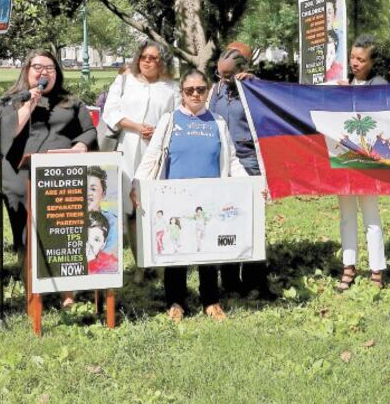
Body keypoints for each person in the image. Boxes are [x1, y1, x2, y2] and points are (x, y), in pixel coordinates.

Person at [132, 69, 249, 322]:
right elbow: (151, 157)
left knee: (208, 250)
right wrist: (137, 185)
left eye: (200, 89)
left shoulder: (217, 122)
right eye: (189, 90)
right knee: (176, 252)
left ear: (207, 91)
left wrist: (249, 185)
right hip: (173, 198)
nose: (195, 94)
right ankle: (175, 302)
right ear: (182, 93)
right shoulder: (169, 121)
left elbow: (232, 159)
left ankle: (211, 300)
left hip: (209, 199)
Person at [0, 50, 96, 308]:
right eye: (38, 67)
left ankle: (67, 292)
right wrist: (29, 103)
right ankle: (34, 289)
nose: (44, 73)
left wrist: (80, 147)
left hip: (60, 178)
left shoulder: (70, 102)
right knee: (26, 236)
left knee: (62, 233)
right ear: (27, 70)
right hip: (21, 178)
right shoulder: (10, 100)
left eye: (50, 68)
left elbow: (88, 130)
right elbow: (4, 134)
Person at [100, 41, 176, 261]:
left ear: (162, 62)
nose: (146, 61)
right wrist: (136, 126)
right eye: (143, 57)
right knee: (131, 208)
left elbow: (176, 116)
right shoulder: (124, 81)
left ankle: (160, 261)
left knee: (157, 207)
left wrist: (160, 131)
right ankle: (139, 263)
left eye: (152, 58)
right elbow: (110, 112)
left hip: (158, 151)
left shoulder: (171, 87)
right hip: (129, 147)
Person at [212, 42, 273, 300]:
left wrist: (253, 85)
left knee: (251, 224)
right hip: (224, 164)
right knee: (226, 222)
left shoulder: (253, 89)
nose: (222, 79)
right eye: (219, 74)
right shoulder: (215, 90)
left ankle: (255, 281)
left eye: (227, 75)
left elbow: (270, 116)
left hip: (249, 163)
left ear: (242, 70)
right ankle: (229, 281)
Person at [334, 36, 388, 290]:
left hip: (369, 162)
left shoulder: (379, 84)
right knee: (346, 215)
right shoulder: (344, 81)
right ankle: (348, 266)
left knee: (371, 216)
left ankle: (376, 269)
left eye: (361, 59)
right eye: (353, 58)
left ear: (372, 61)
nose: (355, 63)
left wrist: (350, 94)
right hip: (344, 158)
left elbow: (380, 108)